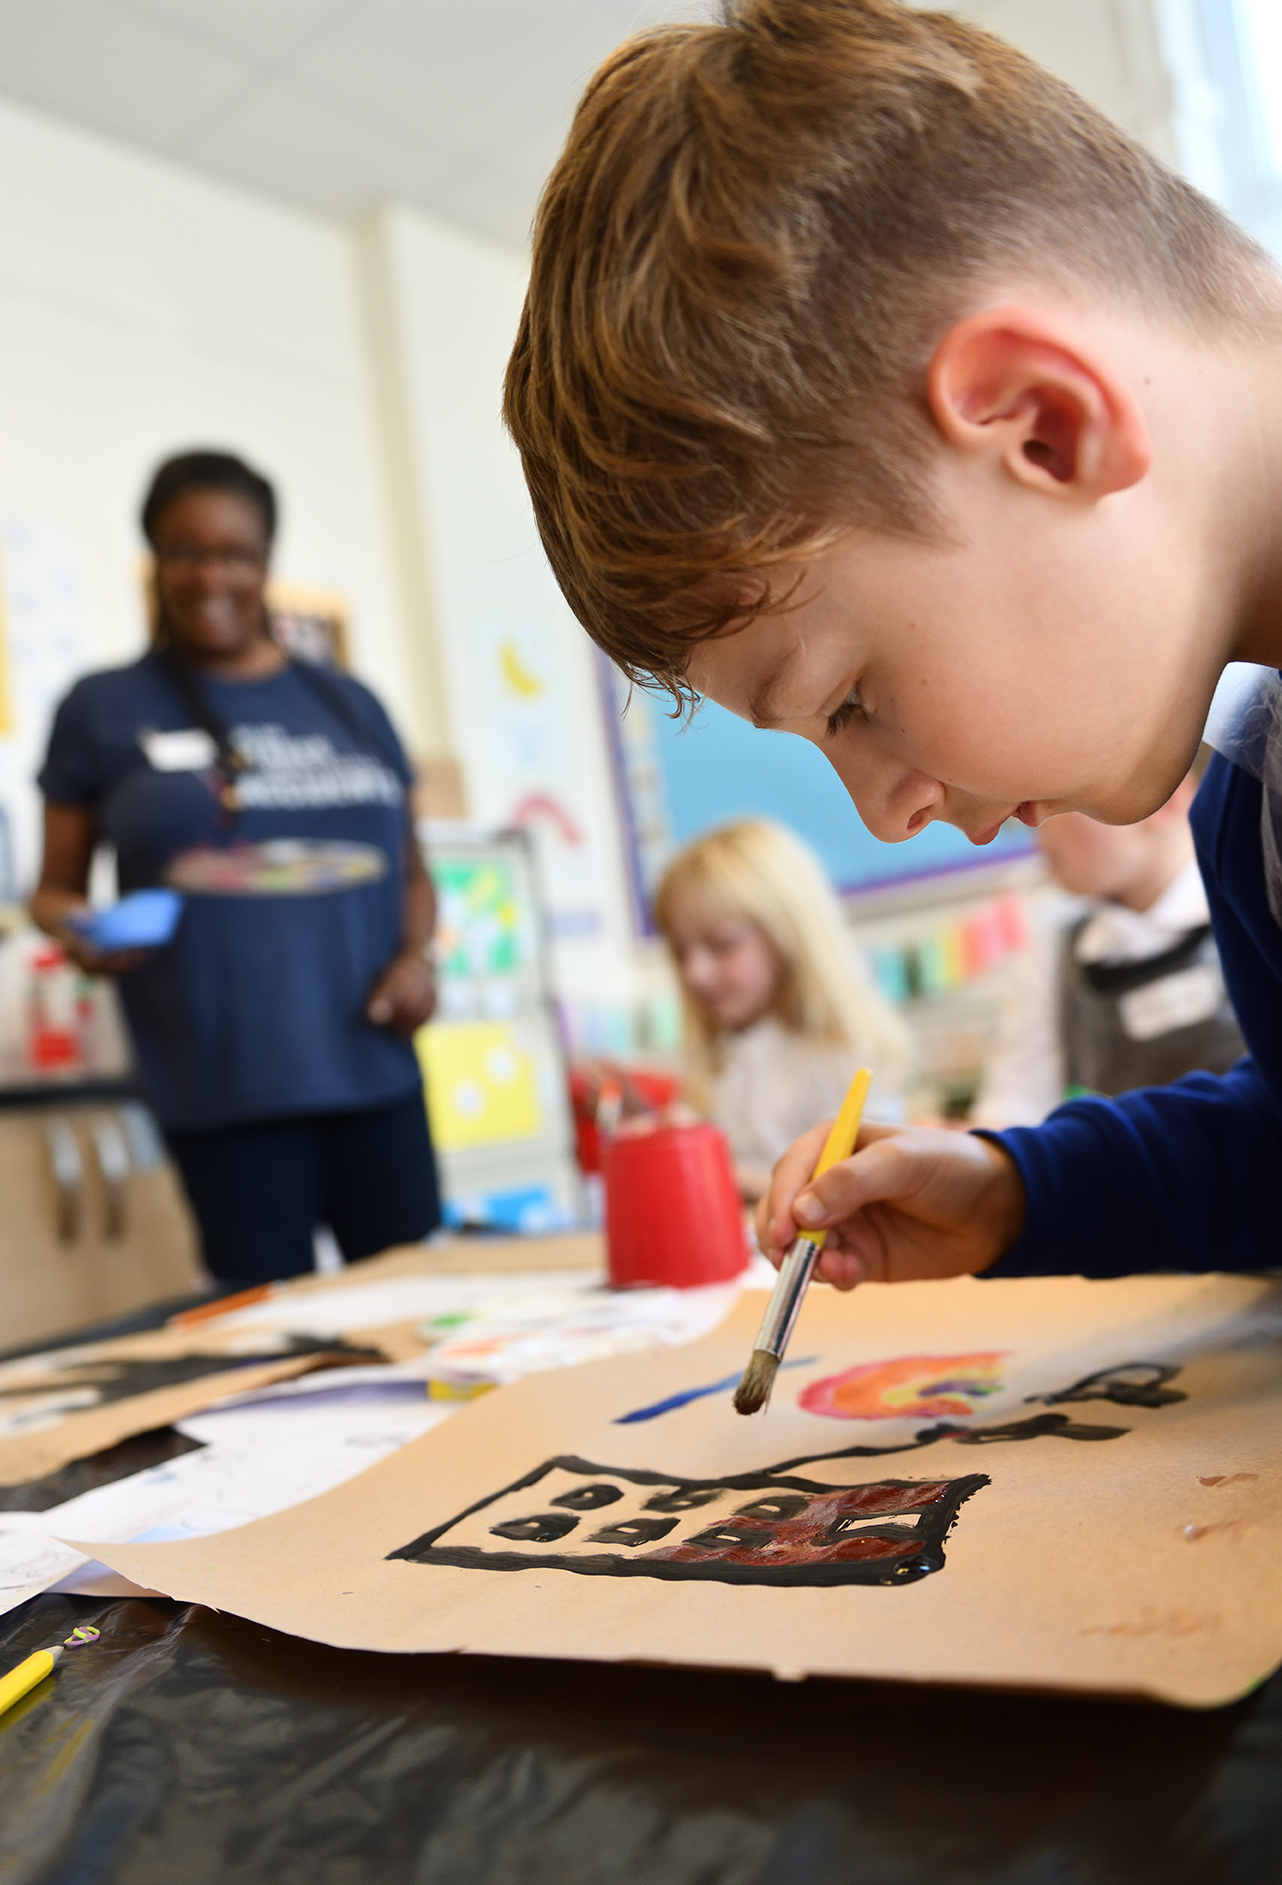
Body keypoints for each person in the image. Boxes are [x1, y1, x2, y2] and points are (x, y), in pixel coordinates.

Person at [503, 0, 1282, 1289]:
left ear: (1041, 427)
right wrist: (1024, 1192)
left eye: (850, 699)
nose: (882, 813)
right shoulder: (1249, 801)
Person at [32, 450, 441, 1284]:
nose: (211, 574)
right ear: (154, 559)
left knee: (420, 1322)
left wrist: (416, 959)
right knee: (273, 1355)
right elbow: (52, 889)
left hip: (374, 1072)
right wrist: (79, 931)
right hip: (225, 1090)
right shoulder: (103, 708)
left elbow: (410, 872)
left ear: (266, 564)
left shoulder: (350, 704)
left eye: (236, 553)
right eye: (187, 551)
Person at [972, 754, 1243, 1127]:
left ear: (1165, 800)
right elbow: (1013, 1111)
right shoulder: (1053, 950)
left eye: (1052, 805)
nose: (1036, 834)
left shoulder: (1252, 904)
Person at [654, 818, 910, 1197]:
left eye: (721, 945)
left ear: (788, 935)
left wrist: (710, 1167)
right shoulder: (718, 1060)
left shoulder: (841, 1056)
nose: (695, 973)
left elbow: (846, 1192)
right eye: (679, 952)